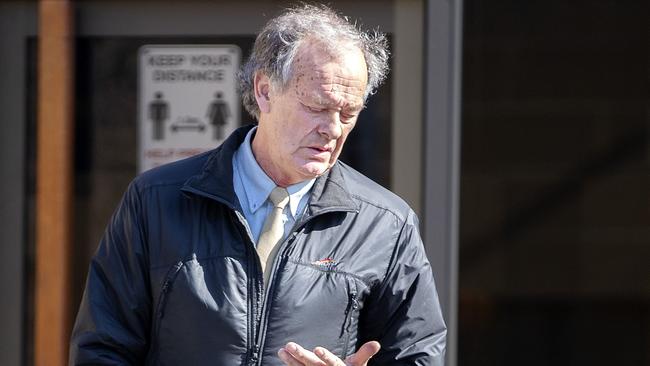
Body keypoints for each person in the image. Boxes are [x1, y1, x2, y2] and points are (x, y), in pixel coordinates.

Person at [70, 4, 446, 365]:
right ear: (264, 91)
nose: (332, 129)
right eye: (317, 106)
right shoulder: (155, 200)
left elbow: (417, 355)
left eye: (348, 113)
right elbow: (102, 350)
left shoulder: (386, 224)